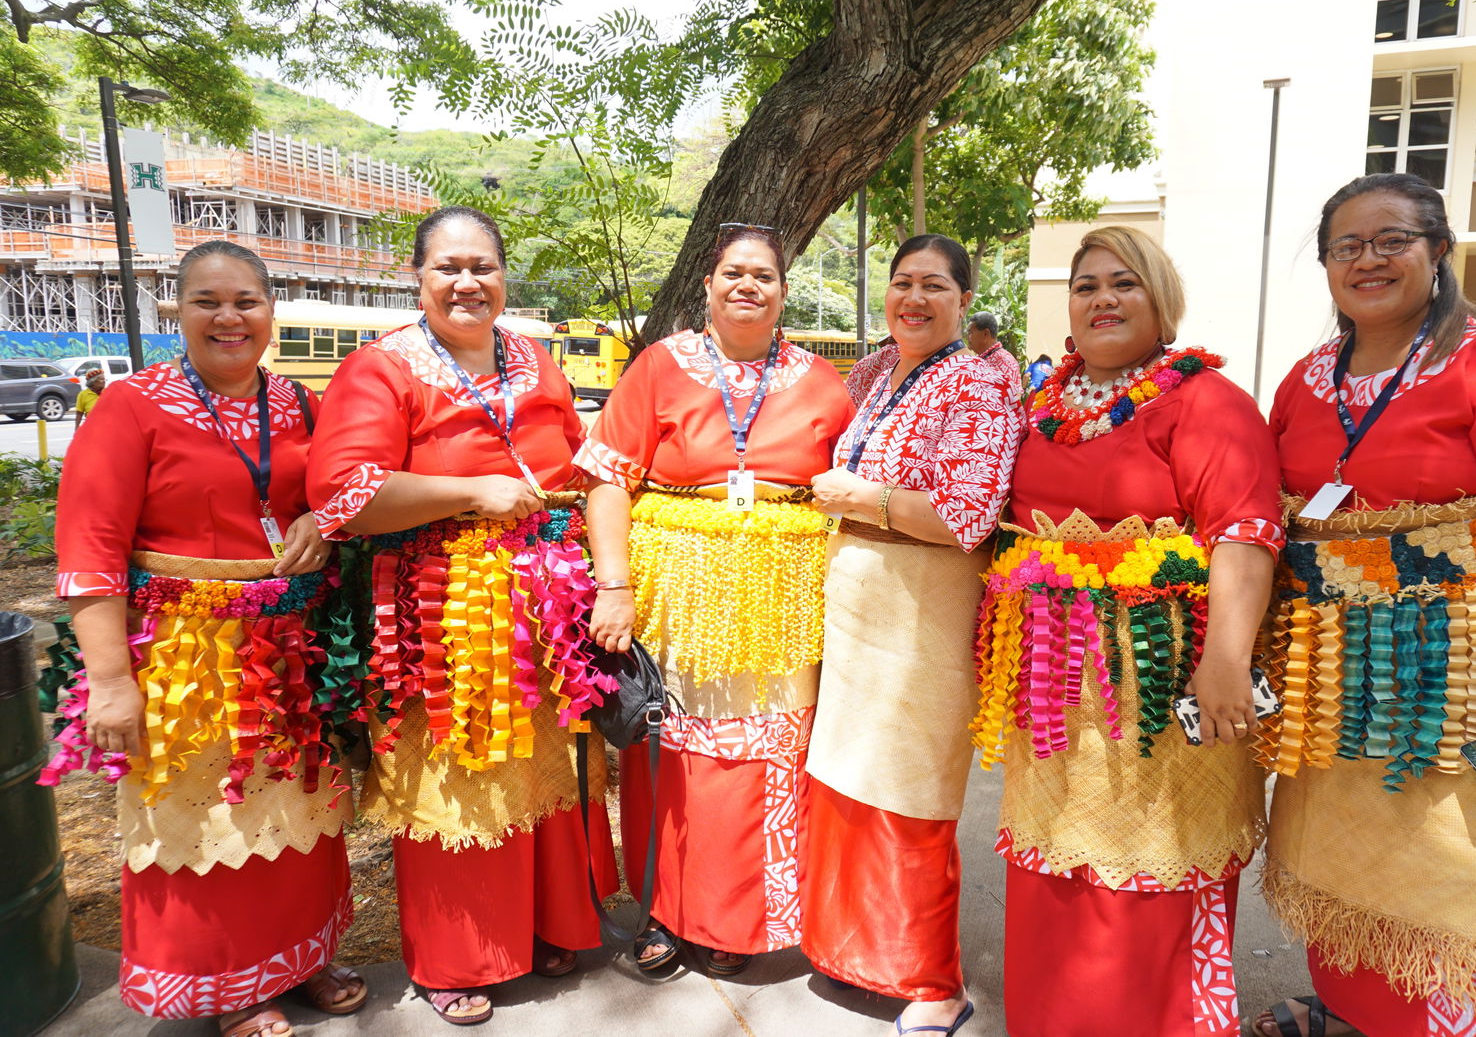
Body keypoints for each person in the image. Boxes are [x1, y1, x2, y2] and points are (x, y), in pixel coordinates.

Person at [1253, 172, 1476, 1037]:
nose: (1367, 260)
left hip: (1461, 685)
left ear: (1438, 250)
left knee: (1458, 875)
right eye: (1346, 246)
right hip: (1332, 683)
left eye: (1391, 240)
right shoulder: (1305, 379)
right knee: (1344, 870)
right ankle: (1351, 1013)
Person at [307, 206, 617, 1026]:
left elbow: (577, 459)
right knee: (458, 773)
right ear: (418, 276)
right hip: (443, 609)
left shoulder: (535, 359)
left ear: (504, 275)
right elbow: (343, 494)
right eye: (448, 267)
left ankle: (549, 924)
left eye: (482, 266)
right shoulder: (383, 369)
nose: (467, 282)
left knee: (544, 768)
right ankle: (458, 957)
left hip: (545, 601)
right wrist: (471, 492)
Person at [970, 225, 1282, 1037]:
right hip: (1049, 683)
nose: (1102, 299)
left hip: (1159, 683)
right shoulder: (1041, 404)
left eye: (1124, 284)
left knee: (1153, 868)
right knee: (1056, 869)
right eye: (1086, 287)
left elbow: (1245, 535)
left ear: (1161, 300)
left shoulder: (1208, 402)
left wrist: (1225, 663)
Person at [48, 240, 365, 1037]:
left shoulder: (297, 402)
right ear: (177, 311)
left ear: (269, 310)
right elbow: (88, 551)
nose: (229, 318)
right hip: (182, 655)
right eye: (207, 302)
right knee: (204, 823)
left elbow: (334, 494)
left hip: (292, 648)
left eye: (246, 302)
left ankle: (302, 956)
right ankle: (227, 984)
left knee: (297, 808)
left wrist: (316, 520)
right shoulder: (131, 406)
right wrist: (112, 680)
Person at [579, 222, 853, 977]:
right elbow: (606, 476)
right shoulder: (661, 366)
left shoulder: (822, 381)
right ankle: (665, 911)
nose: (747, 286)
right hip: (677, 597)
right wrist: (614, 585)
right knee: (673, 755)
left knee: (766, 758)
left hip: (783, 608)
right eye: (733, 272)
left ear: (784, 292)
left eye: (763, 275)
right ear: (706, 284)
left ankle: (749, 920)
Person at [804, 234, 1024, 1036]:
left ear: (966, 298)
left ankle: (935, 982)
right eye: (902, 283)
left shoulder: (979, 381)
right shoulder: (871, 372)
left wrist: (859, 497)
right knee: (848, 774)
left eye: (935, 285)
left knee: (913, 791)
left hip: (924, 605)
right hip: (860, 599)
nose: (915, 299)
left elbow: (966, 516)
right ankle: (855, 954)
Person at [965, 310, 1023, 404]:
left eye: (971, 332)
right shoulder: (983, 358)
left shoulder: (1004, 361)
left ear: (985, 334)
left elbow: (1012, 400)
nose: (968, 337)